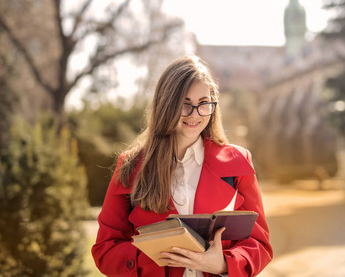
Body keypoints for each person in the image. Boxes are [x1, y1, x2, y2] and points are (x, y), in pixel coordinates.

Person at [92, 56, 273, 277]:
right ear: (166, 104)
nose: (195, 114)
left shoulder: (238, 161)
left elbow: (259, 243)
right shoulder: (130, 165)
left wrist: (223, 264)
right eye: (185, 104)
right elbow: (105, 249)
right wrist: (157, 259)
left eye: (203, 103)